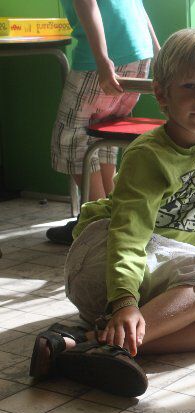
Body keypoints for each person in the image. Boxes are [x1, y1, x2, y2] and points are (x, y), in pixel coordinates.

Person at [29, 28, 195, 397]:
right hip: (104, 257)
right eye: (190, 86)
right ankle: (113, 331)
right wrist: (125, 302)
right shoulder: (147, 154)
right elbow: (128, 234)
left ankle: (81, 345)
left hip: (155, 269)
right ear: (162, 94)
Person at [47, 0, 160, 245]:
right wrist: (158, 51)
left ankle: (98, 224)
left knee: (70, 138)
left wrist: (101, 59)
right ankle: (114, 215)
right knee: (102, 132)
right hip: (139, 53)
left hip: (107, 55)